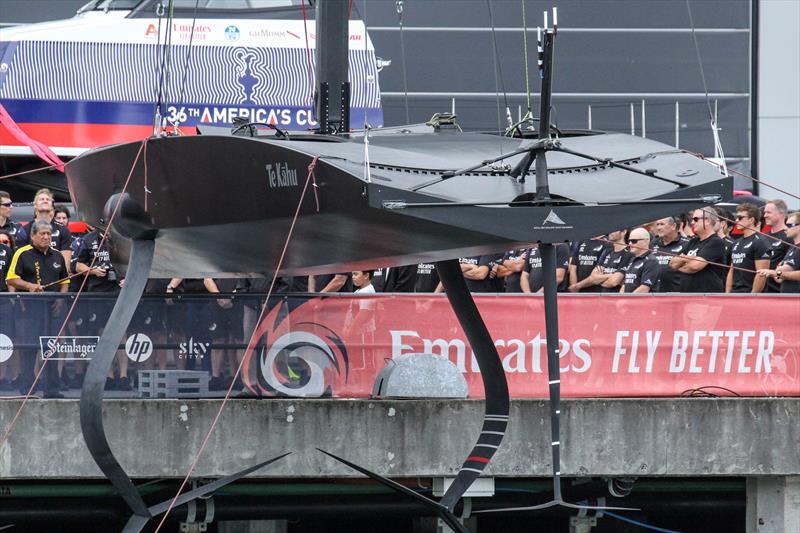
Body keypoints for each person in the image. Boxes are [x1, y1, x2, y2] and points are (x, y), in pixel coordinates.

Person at [5, 220, 70, 398]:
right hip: (28, 309)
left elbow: (65, 281)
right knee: (29, 349)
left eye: (48, 234)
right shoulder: (22, 253)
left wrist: (61, 299)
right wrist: (29, 286)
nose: (46, 237)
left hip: (52, 310)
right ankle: (27, 388)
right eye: (42, 234)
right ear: (33, 236)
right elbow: (11, 279)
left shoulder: (57, 256)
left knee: (51, 348)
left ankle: (52, 389)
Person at [668, 208, 727, 293]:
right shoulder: (693, 241)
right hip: (688, 295)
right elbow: (672, 264)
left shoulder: (716, 242)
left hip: (706, 297)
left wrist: (682, 260)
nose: (692, 222)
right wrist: (689, 258)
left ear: (707, 221)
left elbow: (694, 266)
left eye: (696, 219)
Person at [725, 203, 771, 293]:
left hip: (749, 295)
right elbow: (732, 270)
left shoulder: (761, 241)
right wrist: (727, 293)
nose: (737, 220)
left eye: (740, 218)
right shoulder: (736, 243)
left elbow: (761, 274)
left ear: (751, 220)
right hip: (735, 294)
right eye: (736, 218)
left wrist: (752, 296)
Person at [757, 211, 800, 293]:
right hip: (788, 297)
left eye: (789, 225)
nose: (785, 228)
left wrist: (776, 272)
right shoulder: (792, 248)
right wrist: (778, 273)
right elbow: (779, 279)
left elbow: (779, 274)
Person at [651, 216, 690, 292]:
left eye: (662, 224)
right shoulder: (653, 243)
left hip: (678, 294)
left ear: (673, 226)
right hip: (654, 295)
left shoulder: (687, 243)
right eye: (657, 224)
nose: (658, 228)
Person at [763, 199, 792, 293]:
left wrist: (777, 272)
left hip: (779, 292)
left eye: (769, 212)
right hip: (761, 292)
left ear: (781, 214)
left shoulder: (790, 237)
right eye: (764, 212)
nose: (765, 215)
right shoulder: (763, 237)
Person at [620, 227, 660, 293]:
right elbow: (625, 284)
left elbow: (644, 288)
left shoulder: (651, 261)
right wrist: (619, 299)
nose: (630, 244)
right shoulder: (632, 260)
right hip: (627, 301)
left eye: (634, 241)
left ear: (645, 241)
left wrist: (627, 301)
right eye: (629, 241)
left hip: (642, 302)